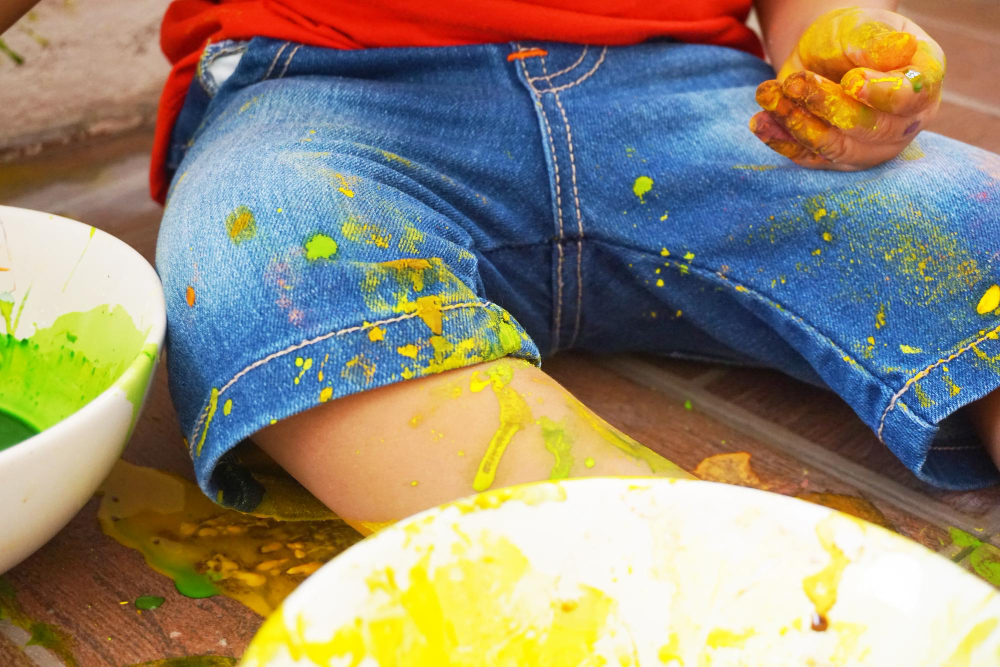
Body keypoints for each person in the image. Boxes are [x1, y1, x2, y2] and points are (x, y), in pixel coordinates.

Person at [9, 1, 999, 533]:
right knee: (254, 246)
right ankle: (671, 568)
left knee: (973, 216)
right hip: (326, 87)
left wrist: (842, 50)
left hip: (700, 95)